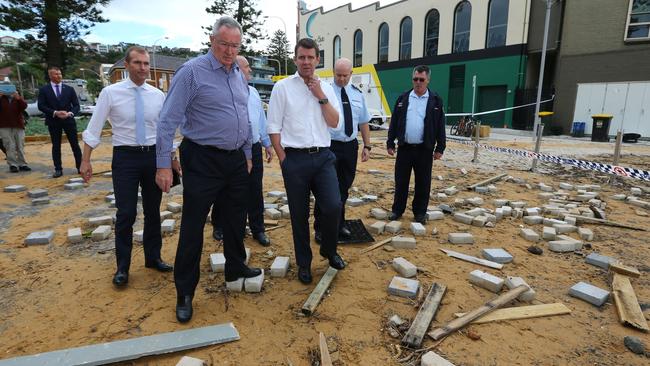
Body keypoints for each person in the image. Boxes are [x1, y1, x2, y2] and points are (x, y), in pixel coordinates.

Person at [155, 16, 261, 323]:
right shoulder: (191, 72)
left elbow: (244, 114)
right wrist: (163, 164)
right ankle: (185, 291)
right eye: (223, 44)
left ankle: (235, 265)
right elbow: (166, 121)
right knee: (193, 225)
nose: (229, 51)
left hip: (236, 160)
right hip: (202, 158)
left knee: (235, 216)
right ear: (211, 41)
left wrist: (246, 153)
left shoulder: (237, 74)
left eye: (234, 45)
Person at [80, 46, 177, 287]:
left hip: (153, 157)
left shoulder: (157, 95)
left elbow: (164, 131)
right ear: (126, 65)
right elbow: (94, 128)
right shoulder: (110, 93)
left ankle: (153, 258)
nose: (143, 68)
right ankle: (122, 267)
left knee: (154, 211)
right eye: (137, 63)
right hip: (125, 158)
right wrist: (85, 160)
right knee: (126, 213)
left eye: (145, 63)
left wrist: (173, 159)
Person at [267, 38, 345, 285]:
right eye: (302, 57)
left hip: (323, 157)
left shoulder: (328, 88)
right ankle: (304, 263)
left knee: (333, 206)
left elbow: (335, 123)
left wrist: (319, 94)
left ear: (318, 60)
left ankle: (329, 250)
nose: (306, 62)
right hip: (295, 160)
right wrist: (283, 160)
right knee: (299, 215)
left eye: (311, 57)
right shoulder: (283, 88)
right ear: (295, 59)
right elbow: (273, 127)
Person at [211, 55, 274, 246]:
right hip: (233, 149)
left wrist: (267, 143)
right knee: (225, 190)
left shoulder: (253, 92)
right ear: (237, 69)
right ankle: (220, 225)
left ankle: (258, 228)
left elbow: (260, 120)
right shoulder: (223, 91)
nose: (250, 71)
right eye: (247, 67)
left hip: (253, 147)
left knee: (255, 189)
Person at [313, 58, 371, 242]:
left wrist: (367, 145)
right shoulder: (325, 91)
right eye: (338, 75)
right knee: (325, 188)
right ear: (333, 72)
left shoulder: (357, 94)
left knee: (343, 187)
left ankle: (339, 224)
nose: (342, 79)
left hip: (350, 146)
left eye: (345, 75)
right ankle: (321, 227)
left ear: (351, 74)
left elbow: (363, 121)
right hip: (329, 145)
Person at [386, 65, 446, 224]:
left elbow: (440, 125)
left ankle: (419, 213)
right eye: (415, 79)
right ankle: (397, 210)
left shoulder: (436, 101)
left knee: (423, 183)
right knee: (401, 182)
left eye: (421, 79)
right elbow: (395, 122)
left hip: (424, 150)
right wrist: (390, 142)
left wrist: (440, 147)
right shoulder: (403, 98)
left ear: (428, 80)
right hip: (405, 149)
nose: (418, 82)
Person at [38, 66, 83, 178]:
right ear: (50, 75)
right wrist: (55, 112)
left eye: (60, 74)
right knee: (56, 146)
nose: (59, 76)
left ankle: (80, 167)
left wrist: (70, 113)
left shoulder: (69, 89)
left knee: (75, 145)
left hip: (68, 120)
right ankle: (58, 169)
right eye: (56, 74)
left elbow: (76, 105)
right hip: (53, 121)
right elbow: (41, 106)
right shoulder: (44, 90)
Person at [0, 90, 30, 172]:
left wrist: (18, 98)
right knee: (9, 145)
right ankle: (13, 165)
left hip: (18, 125)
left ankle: (22, 164)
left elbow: (24, 106)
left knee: (20, 145)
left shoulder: (17, 96)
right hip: (4, 125)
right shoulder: (1, 97)